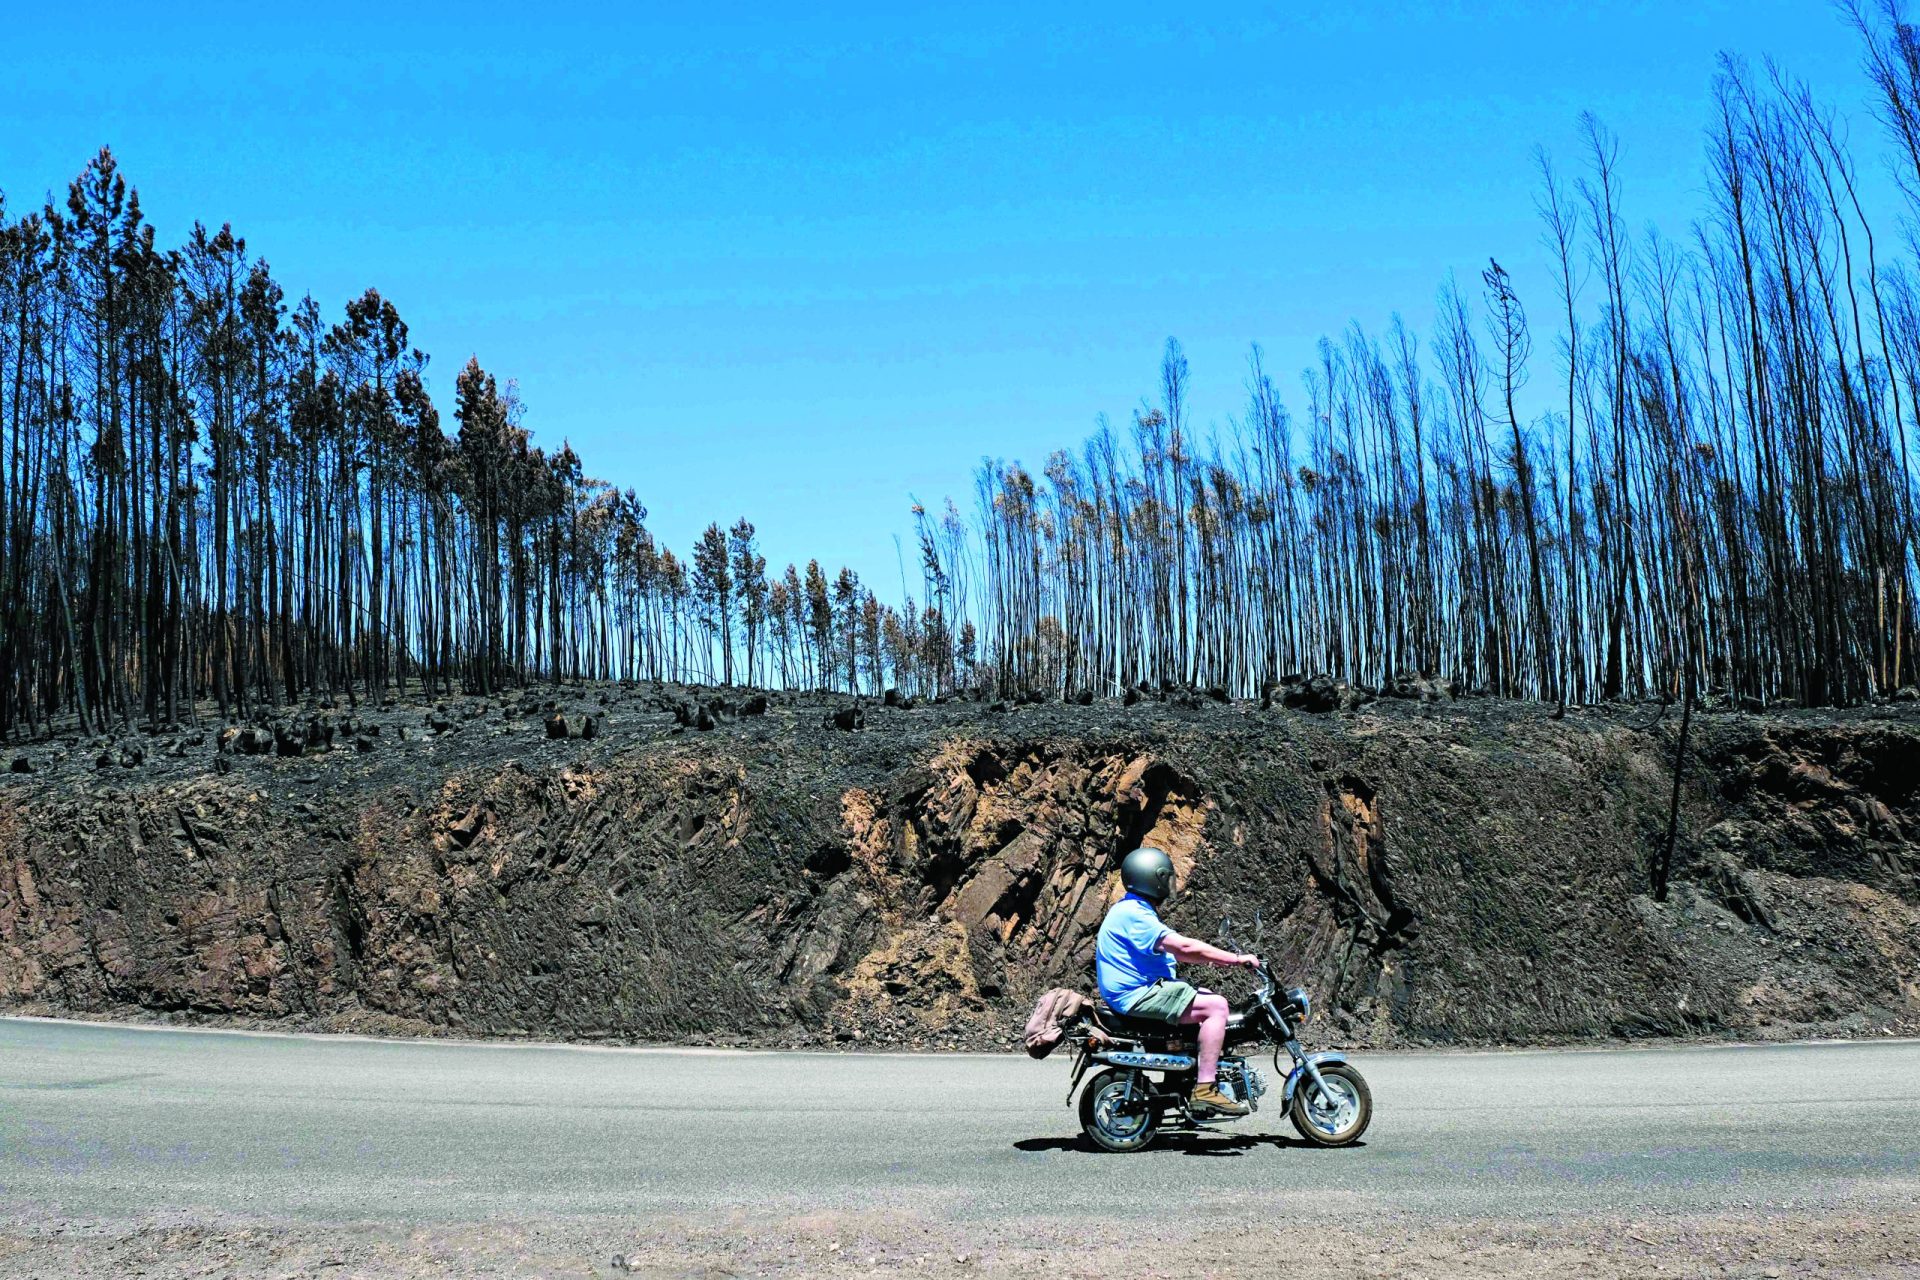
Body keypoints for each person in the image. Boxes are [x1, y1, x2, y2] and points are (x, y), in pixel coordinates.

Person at [1093, 846, 1261, 1117]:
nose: (1170, 884)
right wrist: (1235, 959)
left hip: (1138, 990)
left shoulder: (1131, 910)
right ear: (1153, 878)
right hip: (1137, 994)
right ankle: (1205, 1088)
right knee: (1216, 1007)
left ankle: (1185, 1077)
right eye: (1166, 878)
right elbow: (1182, 947)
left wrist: (1214, 960)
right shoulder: (1135, 914)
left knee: (1204, 995)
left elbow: (1177, 952)